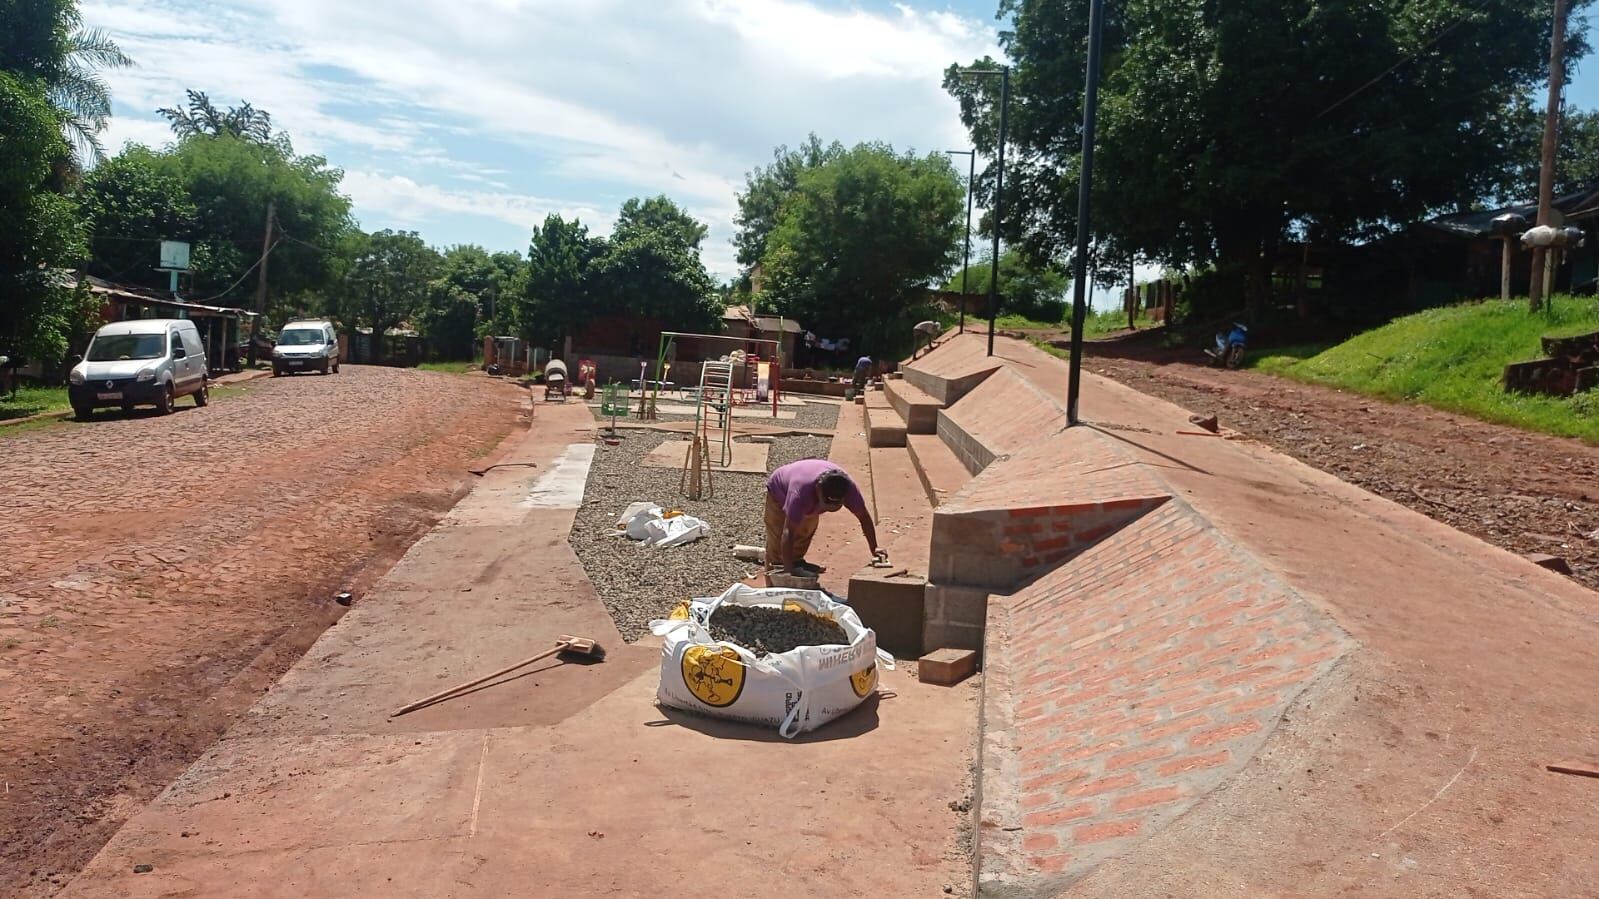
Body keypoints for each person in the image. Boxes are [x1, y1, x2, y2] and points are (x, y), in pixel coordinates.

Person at [764, 459, 884, 576]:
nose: (826, 510)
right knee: (778, 541)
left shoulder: (849, 489)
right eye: (826, 505)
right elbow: (788, 531)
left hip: (808, 497)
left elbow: (864, 517)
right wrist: (789, 571)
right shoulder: (800, 493)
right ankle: (775, 576)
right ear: (818, 489)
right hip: (779, 491)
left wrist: (875, 547)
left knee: (805, 531)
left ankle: (797, 562)